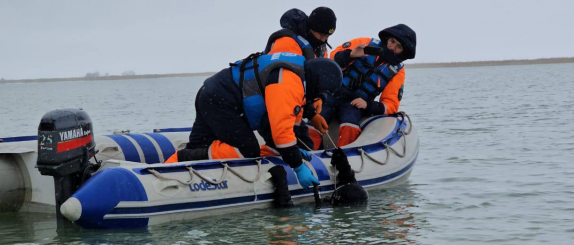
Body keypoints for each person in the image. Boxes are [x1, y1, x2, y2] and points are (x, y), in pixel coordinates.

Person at [166, 52, 343, 190]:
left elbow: (289, 124)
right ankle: (183, 156)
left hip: (215, 92)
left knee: (200, 144)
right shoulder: (289, 84)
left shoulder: (297, 73)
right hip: (221, 100)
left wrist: (294, 148)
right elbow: (281, 133)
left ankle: (176, 162)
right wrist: (297, 167)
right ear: (318, 82)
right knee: (247, 150)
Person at [308, 24, 417, 149]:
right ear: (387, 39)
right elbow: (333, 58)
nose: (392, 48)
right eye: (392, 41)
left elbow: (391, 104)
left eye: (399, 47)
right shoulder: (364, 43)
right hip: (331, 94)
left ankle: (344, 158)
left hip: (354, 103)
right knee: (315, 119)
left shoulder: (398, 71)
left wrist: (368, 105)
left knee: (350, 124)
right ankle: (309, 154)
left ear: (404, 52)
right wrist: (351, 55)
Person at [264, 7, 338, 148]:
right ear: (311, 28)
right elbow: (285, 88)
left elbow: (318, 77)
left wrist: (319, 99)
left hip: (295, 104)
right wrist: (310, 112)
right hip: (274, 104)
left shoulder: (318, 47)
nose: (324, 40)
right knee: (280, 145)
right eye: (321, 35)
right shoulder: (287, 43)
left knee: (306, 144)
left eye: (327, 37)